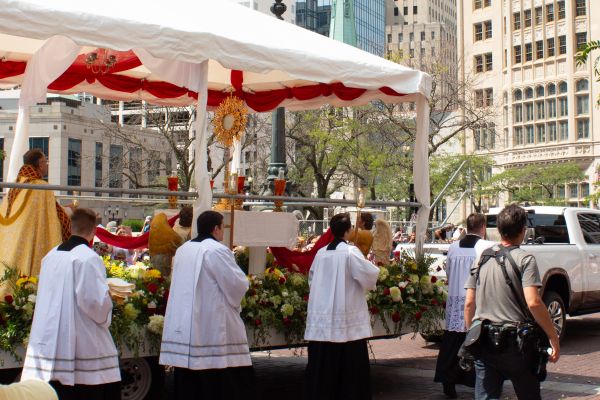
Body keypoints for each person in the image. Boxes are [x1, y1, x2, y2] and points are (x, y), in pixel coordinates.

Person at [21, 208, 121, 399]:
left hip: (49, 339)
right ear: (93, 232)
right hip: (80, 341)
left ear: (71, 227)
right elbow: (94, 303)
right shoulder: (88, 258)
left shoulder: (50, 256)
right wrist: (108, 306)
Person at [464, 204, 560, 400]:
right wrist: (553, 336)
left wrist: (471, 334)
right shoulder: (525, 259)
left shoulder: (483, 258)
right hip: (516, 343)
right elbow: (533, 302)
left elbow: (469, 303)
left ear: (498, 229)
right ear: (523, 230)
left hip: (484, 338)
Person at [160, 210, 254, 400]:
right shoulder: (217, 250)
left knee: (189, 378)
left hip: (185, 324)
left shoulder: (183, 249)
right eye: (222, 227)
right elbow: (236, 284)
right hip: (210, 324)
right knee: (214, 377)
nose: (223, 232)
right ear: (215, 229)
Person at [304, 212, 380, 400]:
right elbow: (369, 275)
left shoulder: (321, 253)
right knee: (349, 367)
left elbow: (311, 279)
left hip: (323, 314)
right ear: (348, 231)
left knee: (324, 364)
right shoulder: (350, 252)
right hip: (345, 317)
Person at [434, 213, 493, 398]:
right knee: (477, 343)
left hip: (455, 300)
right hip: (475, 300)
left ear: (467, 227)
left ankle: (448, 382)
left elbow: (449, 272)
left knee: (451, 344)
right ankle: (480, 383)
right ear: (483, 227)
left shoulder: (453, 247)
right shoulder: (486, 246)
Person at [0, 149, 72, 288]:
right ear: (40, 164)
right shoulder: (40, 187)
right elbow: (55, 216)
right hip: (30, 241)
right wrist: (70, 211)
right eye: (45, 161)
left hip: (12, 244)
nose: (47, 165)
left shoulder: (16, 184)